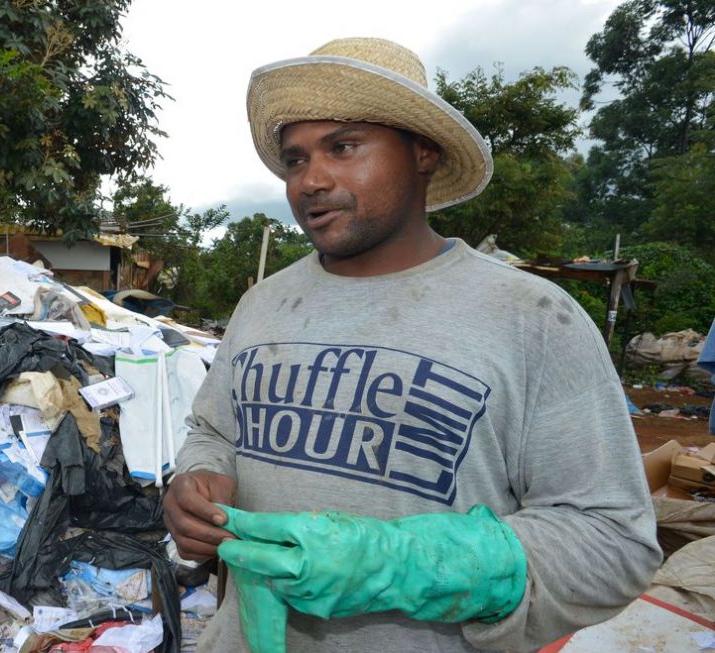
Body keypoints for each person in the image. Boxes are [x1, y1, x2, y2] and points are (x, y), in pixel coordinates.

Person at [164, 37, 661, 653]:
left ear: (423, 151)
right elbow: (214, 432)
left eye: (343, 147)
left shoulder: (532, 317)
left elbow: (613, 543)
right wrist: (200, 477)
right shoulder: (263, 304)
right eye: (295, 160)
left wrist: (403, 564)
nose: (311, 181)